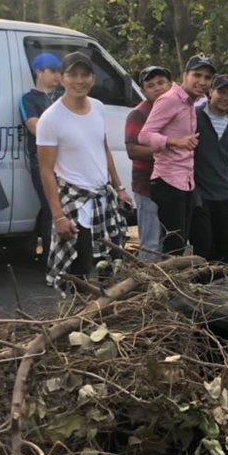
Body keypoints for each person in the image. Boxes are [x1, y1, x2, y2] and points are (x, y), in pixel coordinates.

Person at [38, 52, 132, 287]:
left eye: (85, 75)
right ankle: (78, 321)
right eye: (73, 75)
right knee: (80, 269)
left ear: (93, 78)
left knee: (110, 266)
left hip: (104, 198)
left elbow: (104, 148)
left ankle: (107, 318)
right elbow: (46, 170)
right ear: (61, 78)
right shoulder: (50, 119)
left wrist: (119, 187)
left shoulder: (98, 107)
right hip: (75, 202)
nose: (79, 81)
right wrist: (58, 216)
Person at [139, 55, 215, 255]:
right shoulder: (170, 99)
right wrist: (175, 141)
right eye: (197, 75)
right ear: (184, 76)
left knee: (191, 240)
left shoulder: (191, 101)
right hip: (168, 181)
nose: (202, 81)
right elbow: (144, 136)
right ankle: (166, 285)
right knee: (174, 246)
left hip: (186, 181)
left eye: (207, 77)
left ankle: (176, 284)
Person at [189, 76, 228, 262]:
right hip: (200, 196)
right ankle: (200, 289)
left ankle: (221, 289)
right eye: (221, 92)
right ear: (211, 92)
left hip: (225, 197)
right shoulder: (194, 116)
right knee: (202, 248)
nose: (225, 97)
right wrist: (193, 194)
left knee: (225, 248)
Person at [18, 53, 63, 265]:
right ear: (39, 72)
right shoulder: (28, 99)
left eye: (60, 71)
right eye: (53, 71)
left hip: (67, 162)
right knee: (50, 208)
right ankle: (49, 260)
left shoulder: (65, 96)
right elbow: (36, 128)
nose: (58, 76)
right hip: (43, 163)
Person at [125, 65, 173, 261]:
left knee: (170, 240)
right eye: (151, 85)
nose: (157, 88)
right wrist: (166, 153)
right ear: (143, 91)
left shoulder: (178, 110)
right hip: (147, 187)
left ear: (171, 84)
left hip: (173, 186)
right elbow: (132, 149)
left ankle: (167, 285)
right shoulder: (139, 114)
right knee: (151, 243)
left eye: (161, 83)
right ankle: (146, 286)